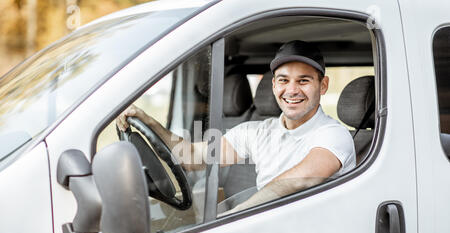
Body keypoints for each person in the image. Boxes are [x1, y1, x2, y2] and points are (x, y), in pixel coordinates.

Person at [116, 40, 356, 214]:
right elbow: (190, 157)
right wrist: (148, 121)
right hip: (270, 231)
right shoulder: (257, 132)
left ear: (323, 86)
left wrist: (236, 216)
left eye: (304, 80)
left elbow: (298, 181)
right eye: (284, 80)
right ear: (273, 85)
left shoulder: (333, 135)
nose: (292, 90)